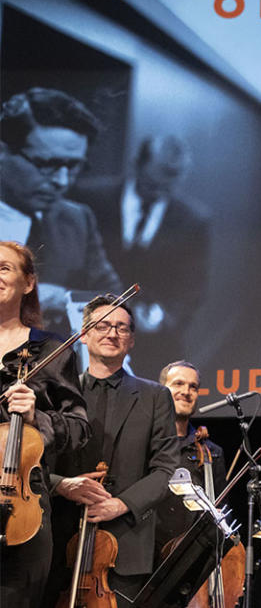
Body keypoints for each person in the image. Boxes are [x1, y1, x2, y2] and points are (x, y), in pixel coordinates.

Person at [45, 294, 179, 607]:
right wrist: (63, 485)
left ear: (131, 340)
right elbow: (36, 465)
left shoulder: (156, 396)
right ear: (85, 334)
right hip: (61, 542)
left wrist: (120, 504)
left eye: (122, 328)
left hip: (127, 547)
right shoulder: (58, 397)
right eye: (103, 325)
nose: (112, 333)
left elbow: (166, 468)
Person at [74, 135, 211, 371]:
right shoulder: (89, 198)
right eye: (152, 183)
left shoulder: (194, 220)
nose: (158, 192)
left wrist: (161, 318)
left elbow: (192, 287)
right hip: (84, 332)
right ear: (136, 164)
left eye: (169, 184)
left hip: (151, 346)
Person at [0, 241, 88, 608]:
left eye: (4, 268)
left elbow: (79, 427)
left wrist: (38, 417)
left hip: (23, 504)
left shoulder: (51, 350)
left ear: (29, 283)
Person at [0, 88, 123, 334]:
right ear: (3, 151)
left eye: (74, 166)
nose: (62, 181)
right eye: (47, 164)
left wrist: (65, 299)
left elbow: (116, 298)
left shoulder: (77, 218)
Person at [152, 360, 226, 562]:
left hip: (189, 560)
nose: (186, 391)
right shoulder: (145, 444)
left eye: (193, 387)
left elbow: (219, 508)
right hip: (145, 558)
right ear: (161, 390)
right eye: (178, 384)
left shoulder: (211, 452)